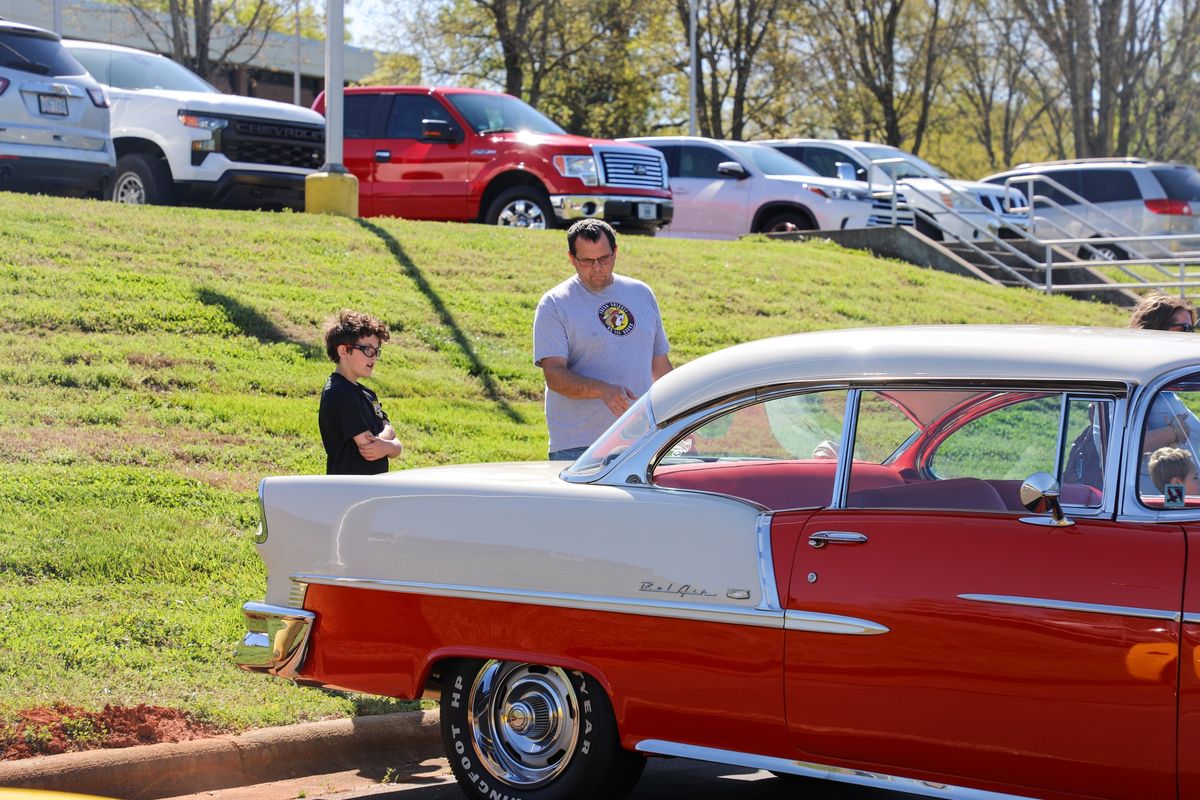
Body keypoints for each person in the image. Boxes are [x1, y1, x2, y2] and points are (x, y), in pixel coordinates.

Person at [533, 219, 673, 461]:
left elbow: (660, 368)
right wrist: (602, 391)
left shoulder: (641, 293)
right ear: (571, 258)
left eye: (604, 259)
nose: (597, 267)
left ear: (615, 252)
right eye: (587, 261)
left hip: (642, 441)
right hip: (580, 447)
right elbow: (554, 376)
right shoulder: (554, 304)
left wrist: (686, 411)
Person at [318, 309, 403, 475]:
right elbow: (368, 448)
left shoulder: (368, 394)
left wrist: (387, 446)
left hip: (372, 489)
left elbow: (393, 439)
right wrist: (389, 444)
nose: (373, 357)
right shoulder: (339, 392)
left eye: (376, 351)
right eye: (368, 349)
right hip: (349, 490)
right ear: (343, 351)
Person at [1131, 294, 1199, 493]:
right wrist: (1171, 433)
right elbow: (1109, 447)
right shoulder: (1134, 380)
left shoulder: (1161, 383)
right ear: (1157, 329)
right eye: (1184, 329)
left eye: (1192, 329)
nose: (1190, 336)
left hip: (1174, 500)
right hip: (1150, 504)